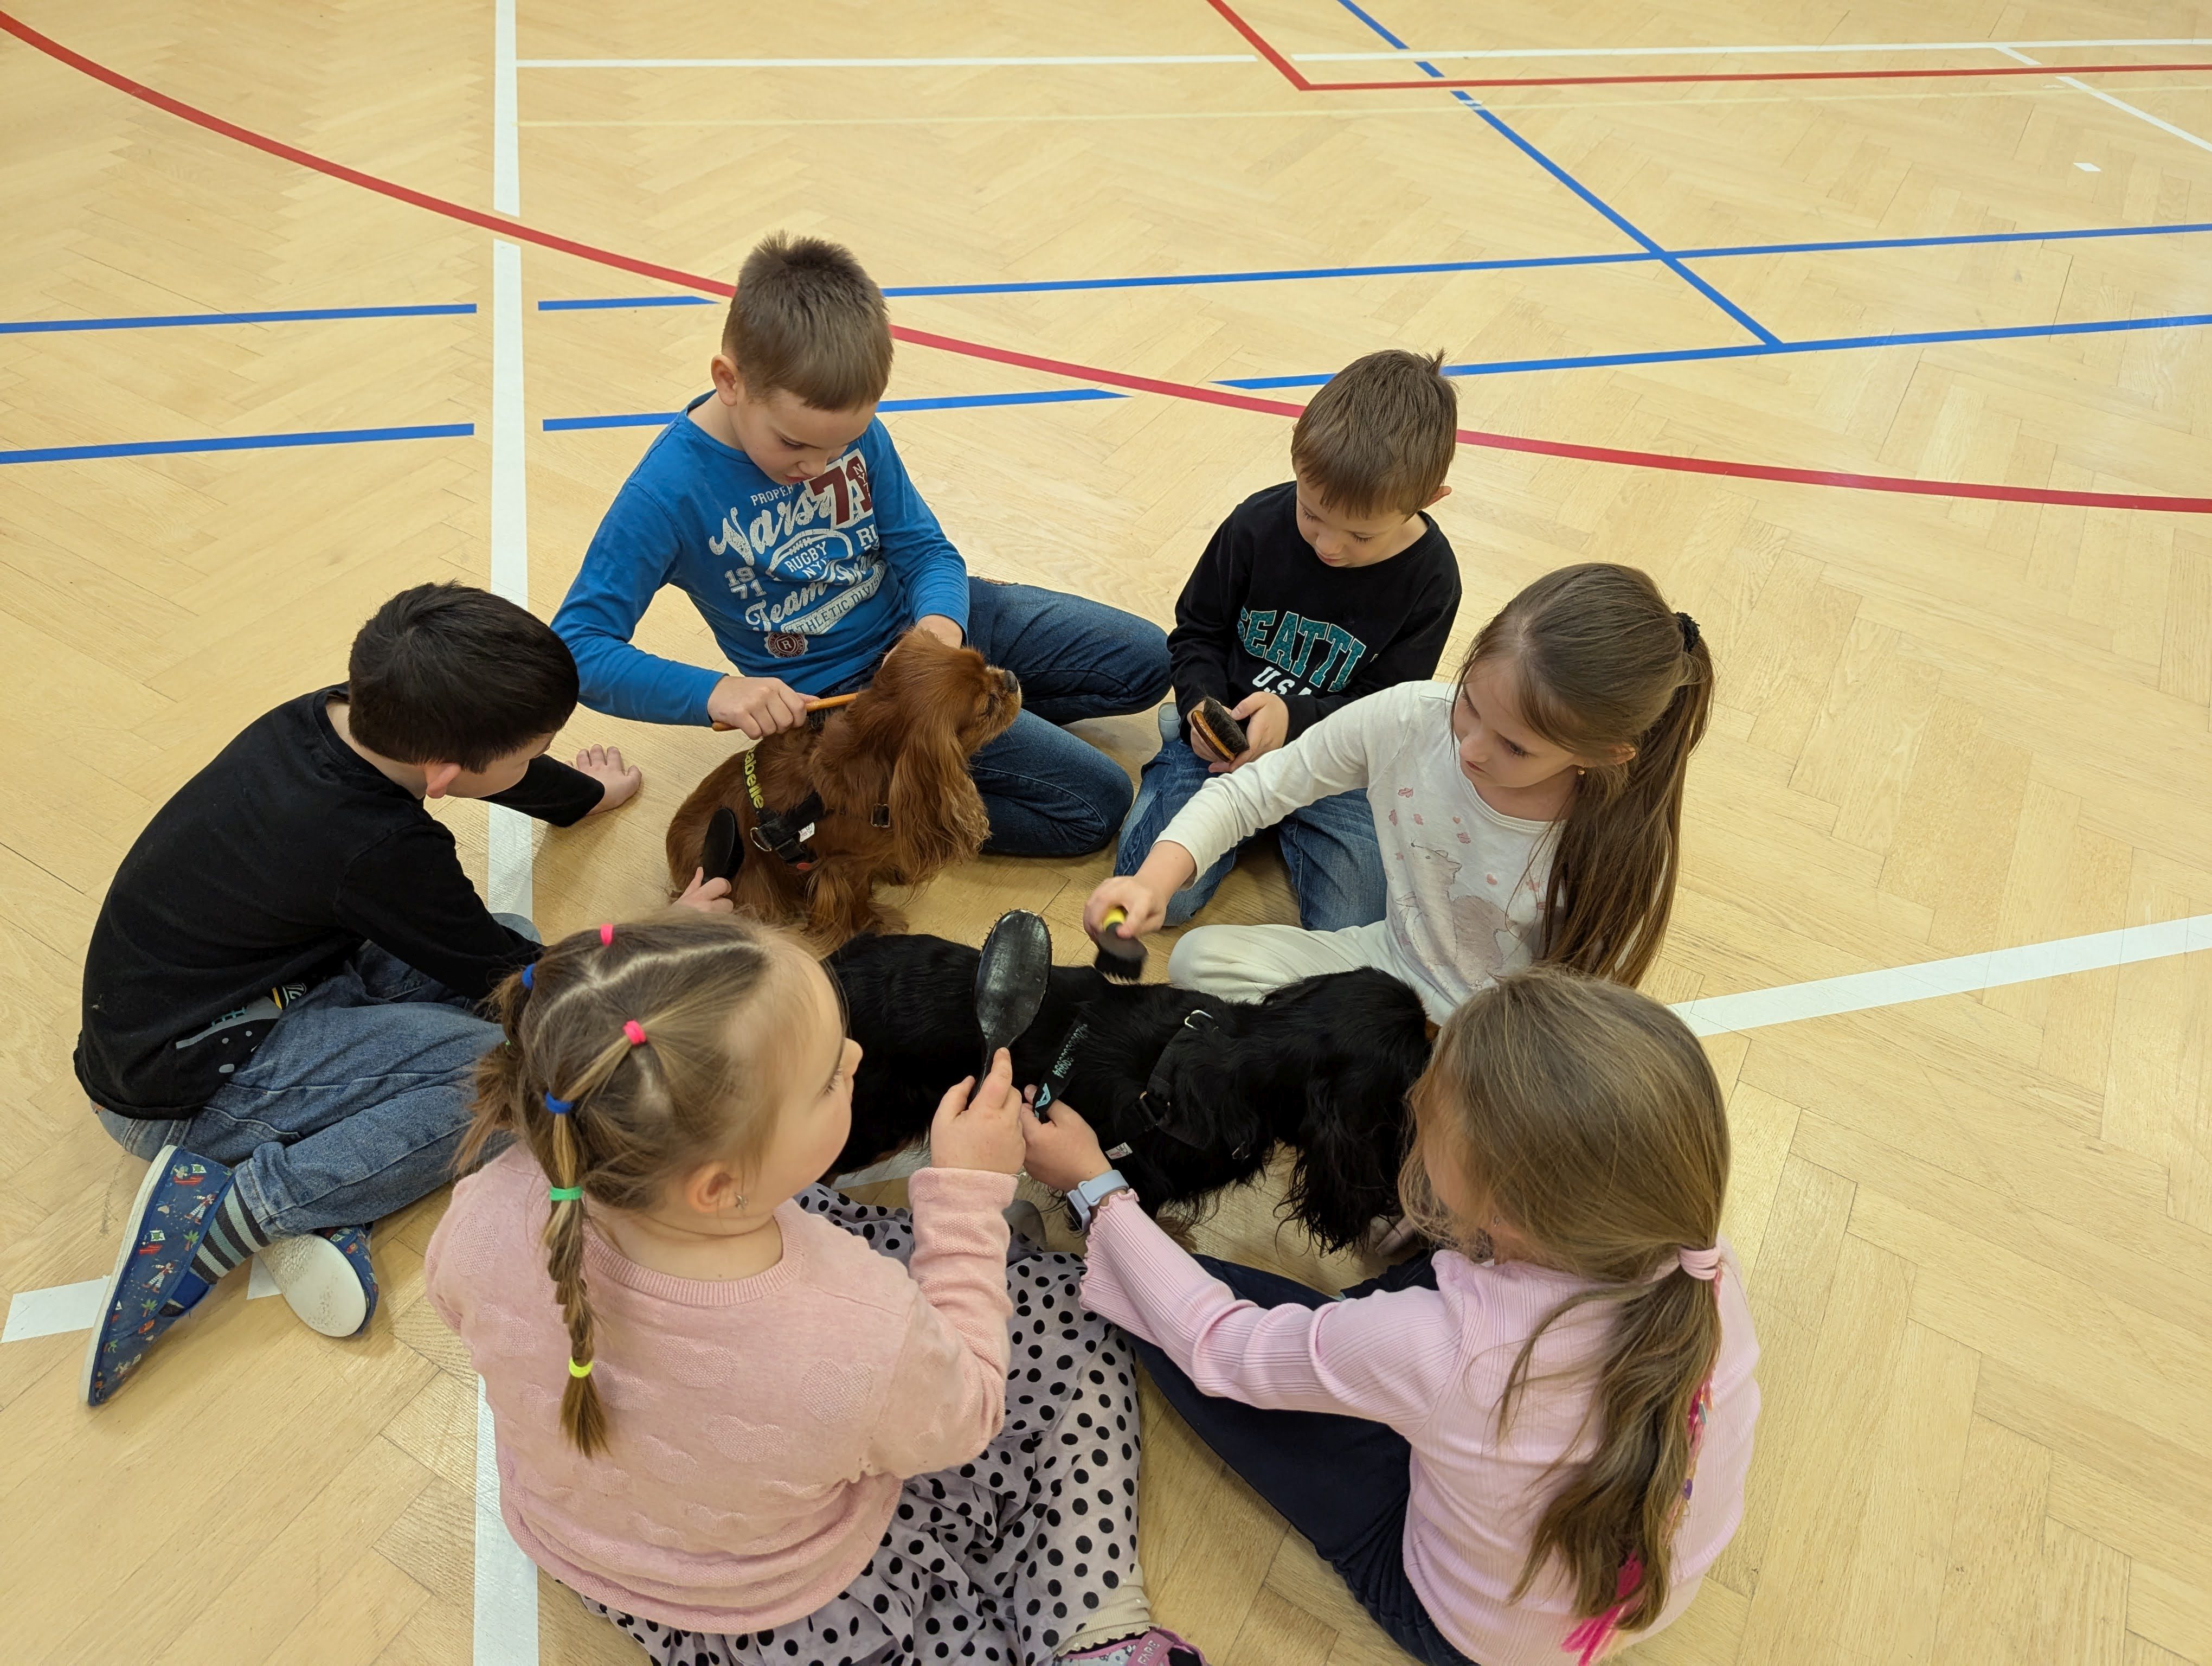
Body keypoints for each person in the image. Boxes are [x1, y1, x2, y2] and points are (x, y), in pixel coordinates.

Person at [426, 913, 1204, 1666]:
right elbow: (967, 1418)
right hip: (800, 1600)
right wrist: (968, 1201)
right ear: (719, 1187)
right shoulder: (857, 1326)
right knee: (1085, 1316)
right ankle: (1094, 1635)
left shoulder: (484, 1212)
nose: (858, 1055)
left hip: (586, 1545)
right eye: (831, 1075)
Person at [75, 582, 725, 1406]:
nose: (536, 762)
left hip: (231, 1000)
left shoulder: (337, 718)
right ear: (447, 771)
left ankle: (339, 1178)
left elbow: (482, 801)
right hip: (186, 1088)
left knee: (496, 943)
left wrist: (582, 797)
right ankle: (247, 1207)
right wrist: (660, 937)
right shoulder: (380, 846)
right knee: (512, 1074)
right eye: (533, 752)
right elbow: (519, 979)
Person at [1021, 965, 1760, 1666]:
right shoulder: (1703, 1261)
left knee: (1155, 1293)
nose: (1411, 1114)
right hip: (1635, 1601)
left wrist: (1096, 1188)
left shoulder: (1440, 1348)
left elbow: (1220, 1345)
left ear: (1501, 1210)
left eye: (1423, 1111)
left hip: (1460, 1629)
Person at [551, 232, 1171, 858]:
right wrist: (717, 692)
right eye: (794, 444)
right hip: (844, 701)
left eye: (840, 447)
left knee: (1149, 660)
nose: (818, 466)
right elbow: (578, 649)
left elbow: (928, 552)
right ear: (729, 381)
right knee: (1096, 807)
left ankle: (963, 739)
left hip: (925, 639)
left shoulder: (845, 430)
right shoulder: (665, 495)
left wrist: (938, 628)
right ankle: (891, 794)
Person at [1089, 562, 1712, 1022]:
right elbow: (1251, 792)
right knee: (1199, 961)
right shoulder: (1412, 717)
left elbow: (1574, 1017)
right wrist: (1152, 883)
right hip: (1390, 964)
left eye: (1516, 747)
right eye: (1470, 703)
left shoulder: (1619, 842)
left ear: (1602, 754)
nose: (1471, 748)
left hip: (1494, 1033)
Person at [1114, 349, 1462, 931]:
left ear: (1428, 500)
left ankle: (1265, 824)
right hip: (1222, 741)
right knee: (1159, 897)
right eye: (1312, 513)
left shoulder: (1432, 579)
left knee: (1355, 924)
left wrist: (1293, 719)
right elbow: (1197, 631)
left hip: (1336, 760)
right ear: (1297, 460)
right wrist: (1201, 705)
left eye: (1361, 536)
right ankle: (1203, 772)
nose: (1329, 546)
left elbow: (1386, 707)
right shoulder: (1256, 524)